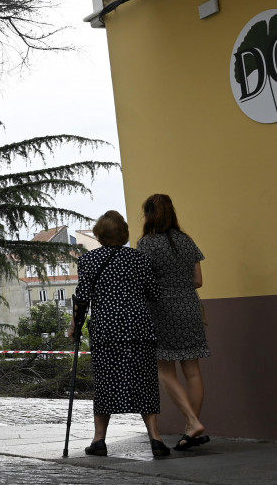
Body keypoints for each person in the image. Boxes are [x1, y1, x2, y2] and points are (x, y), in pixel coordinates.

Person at [69, 210, 170, 457]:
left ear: (99, 234)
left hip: (107, 329)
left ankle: (99, 440)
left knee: (105, 382)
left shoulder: (89, 260)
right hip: (139, 327)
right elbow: (154, 294)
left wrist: (75, 326)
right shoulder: (139, 259)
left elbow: (82, 299)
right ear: (124, 234)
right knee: (145, 381)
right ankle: (155, 439)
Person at [137, 193, 209, 451]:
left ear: (149, 215)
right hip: (190, 307)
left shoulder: (147, 244)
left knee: (165, 370)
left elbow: (143, 282)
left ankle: (192, 421)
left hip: (162, 310)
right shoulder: (186, 241)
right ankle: (191, 430)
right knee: (192, 370)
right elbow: (198, 281)